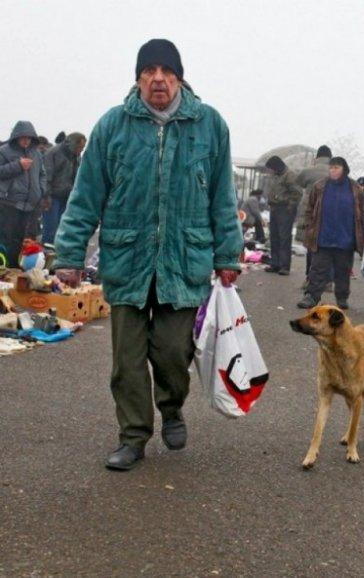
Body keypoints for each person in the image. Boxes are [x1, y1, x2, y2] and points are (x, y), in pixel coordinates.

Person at [54, 39, 243, 470]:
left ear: (179, 76)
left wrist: (228, 254)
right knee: (127, 361)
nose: (158, 78)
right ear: (138, 77)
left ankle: (172, 408)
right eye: (149, 70)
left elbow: (221, 198)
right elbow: (86, 196)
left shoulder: (209, 125)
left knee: (173, 352)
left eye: (166, 71)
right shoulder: (113, 126)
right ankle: (133, 436)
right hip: (127, 260)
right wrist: (69, 253)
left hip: (184, 261)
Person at [298, 157, 364, 310]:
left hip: (345, 239)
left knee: (343, 272)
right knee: (317, 269)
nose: (333, 170)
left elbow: (363, 212)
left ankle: (342, 298)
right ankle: (311, 296)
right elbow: (309, 207)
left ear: (344, 169)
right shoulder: (320, 186)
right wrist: (307, 224)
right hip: (323, 237)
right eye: (331, 167)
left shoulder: (355, 188)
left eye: (336, 167)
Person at [0, 121, 48, 268]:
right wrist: (18, 166)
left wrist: (41, 190)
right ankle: (7, 270)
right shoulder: (4, 151)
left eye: (29, 137)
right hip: (10, 203)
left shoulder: (37, 154)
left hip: (32, 205)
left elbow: (42, 174)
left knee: (27, 241)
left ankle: (21, 270)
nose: (26, 140)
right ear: (16, 137)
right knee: (8, 240)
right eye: (23, 137)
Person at [42, 132, 86, 245]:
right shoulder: (53, 153)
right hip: (52, 197)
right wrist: (46, 197)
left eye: (83, 147)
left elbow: (78, 177)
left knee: (62, 229)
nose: (81, 150)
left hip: (67, 197)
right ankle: (46, 256)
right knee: (50, 229)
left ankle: (57, 254)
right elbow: (46, 176)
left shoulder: (76, 156)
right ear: (72, 144)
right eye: (80, 147)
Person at [296, 145, 332, 281]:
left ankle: (309, 277)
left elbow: (298, 183)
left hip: (311, 213)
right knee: (327, 248)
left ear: (317, 157)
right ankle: (327, 280)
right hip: (329, 213)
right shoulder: (334, 171)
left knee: (311, 246)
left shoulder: (308, 171)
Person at [263, 155, 301, 275]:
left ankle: (284, 266)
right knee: (274, 236)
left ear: (276, 166)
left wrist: (290, 206)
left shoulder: (290, 175)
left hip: (285, 209)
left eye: (271, 168)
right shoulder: (276, 176)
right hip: (275, 208)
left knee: (284, 238)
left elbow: (297, 192)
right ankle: (275, 263)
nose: (270, 171)